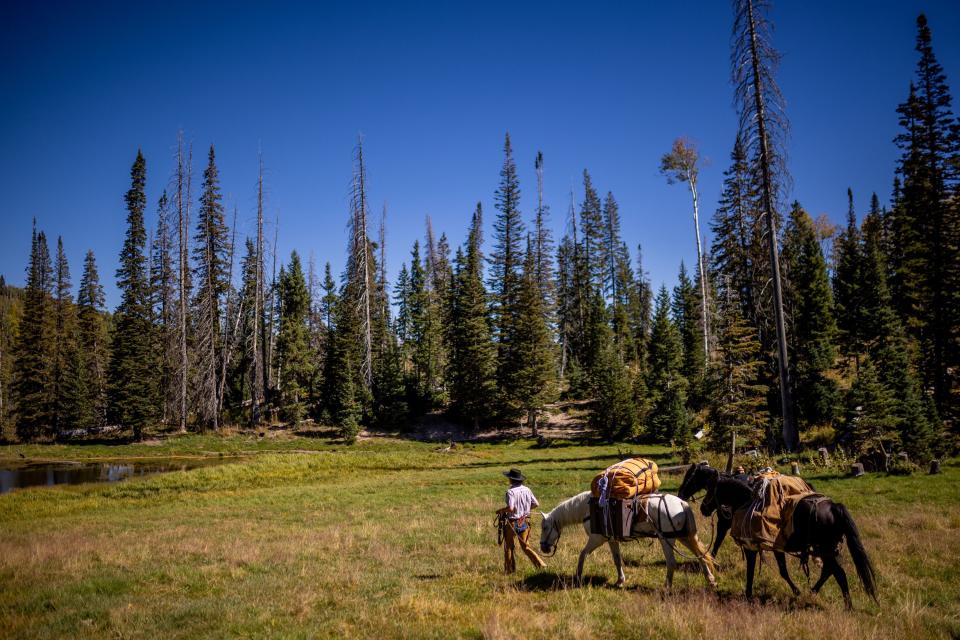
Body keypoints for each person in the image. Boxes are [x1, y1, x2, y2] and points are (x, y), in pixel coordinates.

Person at [497, 468, 546, 573]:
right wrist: (526, 510)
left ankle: (509, 570)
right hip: (524, 521)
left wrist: (501, 510)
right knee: (526, 547)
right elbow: (536, 504)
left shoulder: (510, 492)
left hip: (512, 522)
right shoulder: (527, 489)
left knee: (509, 546)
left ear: (511, 479)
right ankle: (540, 564)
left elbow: (510, 508)